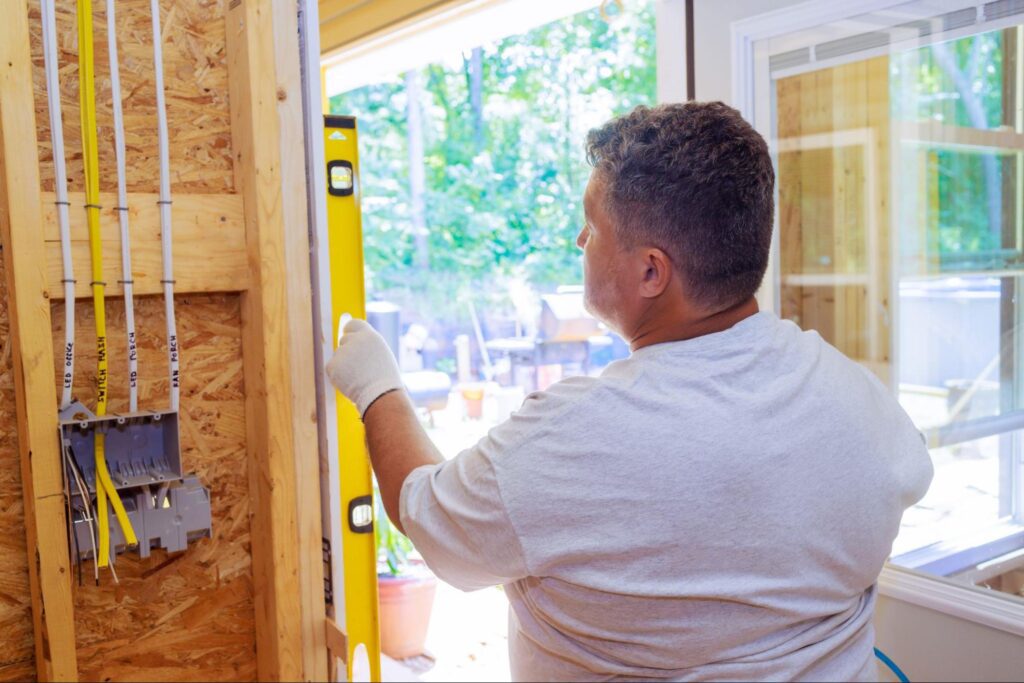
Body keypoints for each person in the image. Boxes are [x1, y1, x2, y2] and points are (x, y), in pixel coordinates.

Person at [326, 101, 933, 681]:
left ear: (650, 271)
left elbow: (426, 513)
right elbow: (902, 476)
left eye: (592, 226)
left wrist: (377, 386)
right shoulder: (856, 396)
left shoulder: (575, 437)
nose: (579, 243)